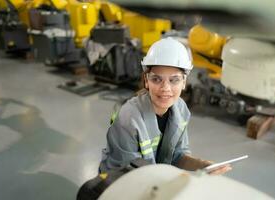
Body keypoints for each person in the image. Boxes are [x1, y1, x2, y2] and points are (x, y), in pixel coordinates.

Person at [99, 37, 231, 175]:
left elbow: (177, 156)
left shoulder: (181, 110)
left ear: (184, 82)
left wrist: (204, 165)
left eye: (174, 80)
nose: (165, 88)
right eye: (156, 79)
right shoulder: (129, 118)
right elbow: (127, 173)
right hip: (118, 184)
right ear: (146, 81)